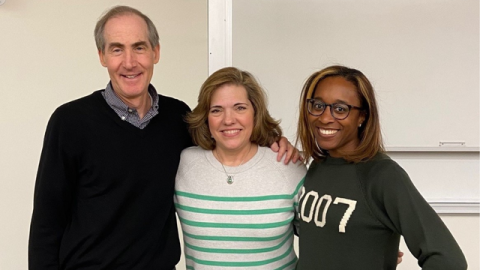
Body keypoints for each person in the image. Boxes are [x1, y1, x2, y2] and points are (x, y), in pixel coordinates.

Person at [28, 6, 297, 270]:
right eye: (117, 49)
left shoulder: (177, 117)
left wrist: (271, 140)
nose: (129, 62)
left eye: (139, 47)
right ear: (102, 56)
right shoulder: (70, 122)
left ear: (155, 52)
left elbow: (226, 136)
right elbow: (46, 222)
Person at [295, 65, 467, 269]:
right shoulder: (318, 166)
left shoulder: (382, 175)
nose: (324, 117)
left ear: (362, 116)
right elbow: (321, 234)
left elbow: (448, 260)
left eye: (341, 109)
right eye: (318, 105)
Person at [174, 67, 307, 269]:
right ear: (206, 117)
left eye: (240, 108)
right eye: (216, 110)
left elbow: (318, 242)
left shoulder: (288, 166)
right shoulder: (185, 163)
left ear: (256, 112)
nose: (228, 120)